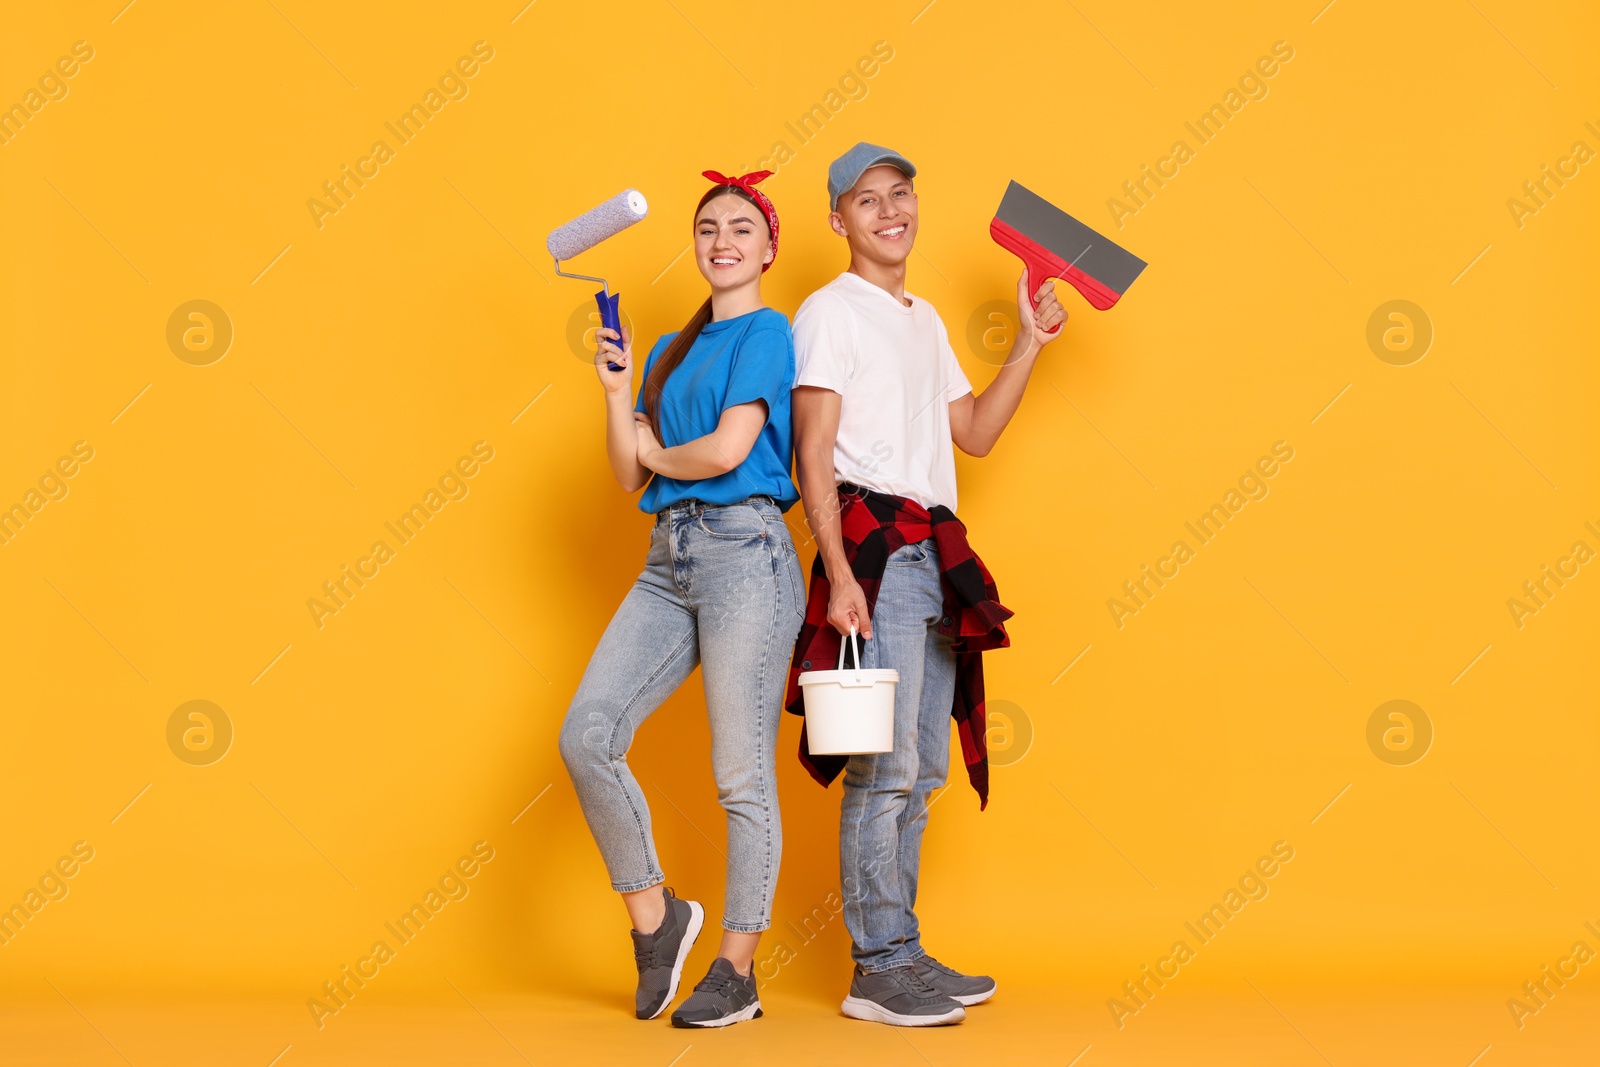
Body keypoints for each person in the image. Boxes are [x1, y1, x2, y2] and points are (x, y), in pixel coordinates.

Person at [785, 143, 1066, 1026]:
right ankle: (878, 966)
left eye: (900, 196)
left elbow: (973, 431)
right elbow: (813, 453)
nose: (889, 212)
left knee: (926, 768)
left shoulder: (925, 319)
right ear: (840, 220)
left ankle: (900, 946)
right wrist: (836, 575)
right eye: (867, 201)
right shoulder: (829, 311)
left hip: (934, 551)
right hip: (873, 546)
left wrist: (1027, 341)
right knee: (885, 765)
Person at [558, 169, 804, 1028]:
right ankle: (658, 920)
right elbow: (632, 475)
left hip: (748, 553)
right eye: (707, 228)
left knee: (741, 773)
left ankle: (736, 968)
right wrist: (621, 394)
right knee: (586, 734)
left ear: (768, 247)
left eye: (740, 227)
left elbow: (731, 450)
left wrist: (659, 450)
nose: (722, 239)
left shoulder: (770, 332)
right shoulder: (667, 347)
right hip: (669, 557)